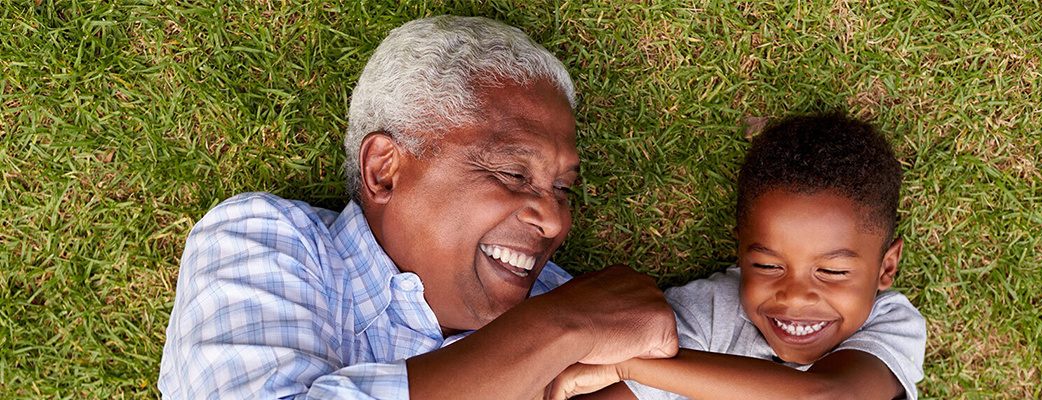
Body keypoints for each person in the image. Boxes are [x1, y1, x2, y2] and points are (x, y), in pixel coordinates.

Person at [158, 15, 678, 400]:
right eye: (514, 174)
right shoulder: (262, 241)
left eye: (563, 188)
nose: (554, 220)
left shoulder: (582, 305)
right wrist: (557, 330)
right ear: (385, 169)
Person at [544, 113, 926, 400]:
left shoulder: (890, 326)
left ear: (886, 267)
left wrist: (630, 364)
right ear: (741, 253)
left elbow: (827, 396)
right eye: (768, 266)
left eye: (831, 271)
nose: (794, 296)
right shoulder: (711, 315)